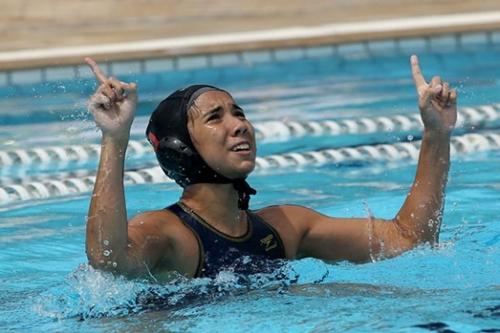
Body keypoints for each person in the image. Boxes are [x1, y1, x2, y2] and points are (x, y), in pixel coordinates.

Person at [85, 55, 457, 282]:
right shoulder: (168, 233)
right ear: (182, 147)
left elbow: (410, 241)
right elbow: (109, 259)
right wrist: (115, 139)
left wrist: (436, 134)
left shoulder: (286, 227)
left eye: (239, 112)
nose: (240, 124)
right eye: (216, 117)